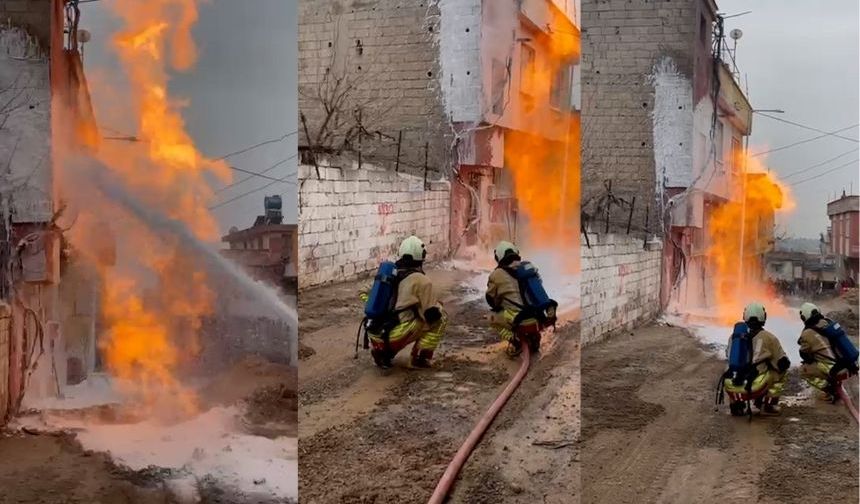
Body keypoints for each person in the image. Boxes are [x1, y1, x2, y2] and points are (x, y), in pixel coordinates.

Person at [362, 235, 447, 369]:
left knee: (402, 316)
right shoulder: (421, 280)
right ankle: (419, 359)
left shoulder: (388, 274)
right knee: (441, 317)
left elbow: (364, 293)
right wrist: (437, 306)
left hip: (375, 332)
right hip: (394, 336)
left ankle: (383, 353)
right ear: (422, 255)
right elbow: (431, 316)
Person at [485, 241, 557, 357]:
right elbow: (540, 285)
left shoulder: (496, 274)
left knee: (491, 318)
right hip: (538, 316)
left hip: (518, 319)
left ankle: (515, 340)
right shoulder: (529, 267)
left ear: (499, 257)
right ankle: (534, 338)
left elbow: (491, 300)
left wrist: (501, 303)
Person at [722, 302, 791, 416]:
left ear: (745, 316)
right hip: (754, 387)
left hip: (731, 385)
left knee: (729, 367)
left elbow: (728, 355)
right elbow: (781, 363)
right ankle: (769, 405)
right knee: (780, 373)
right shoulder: (769, 337)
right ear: (763, 317)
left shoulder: (735, 337)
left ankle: (735, 404)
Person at [797, 302, 855, 401]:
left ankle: (830, 390)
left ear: (804, 317)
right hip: (850, 365)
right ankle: (836, 384)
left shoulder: (807, 333)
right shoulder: (829, 322)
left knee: (803, 370)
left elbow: (804, 354)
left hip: (835, 370)